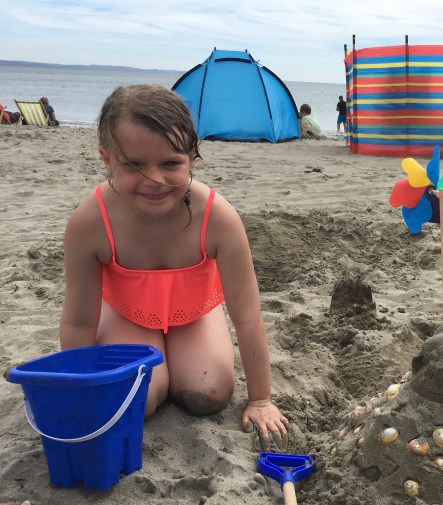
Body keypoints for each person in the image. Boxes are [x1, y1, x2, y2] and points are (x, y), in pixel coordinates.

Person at [59, 84, 289, 440]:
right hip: (126, 314)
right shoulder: (91, 223)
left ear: (191, 157)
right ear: (107, 159)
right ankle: (157, 370)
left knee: (208, 392)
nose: (154, 179)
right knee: (136, 399)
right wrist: (81, 392)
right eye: (134, 164)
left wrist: (261, 399)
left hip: (195, 313)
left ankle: (181, 360)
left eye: (170, 163)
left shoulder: (217, 217)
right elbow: (78, 322)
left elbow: (247, 316)